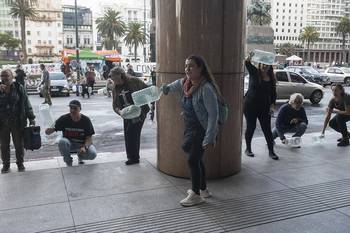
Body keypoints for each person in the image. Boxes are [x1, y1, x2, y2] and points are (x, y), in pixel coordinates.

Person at [162, 55, 219, 207]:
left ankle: (196, 194)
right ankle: (203, 189)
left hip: (202, 129)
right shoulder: (185, 83)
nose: (187, 69)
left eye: (191, 66)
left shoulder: (206, 89)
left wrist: (209, 137)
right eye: (186, 66)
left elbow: (214, 115)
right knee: (197, 159)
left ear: (201, 69)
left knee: (192, 160)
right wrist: (166, 88)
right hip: (190, 127)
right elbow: (172, 86)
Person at [110, 67, 150, 165]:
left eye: (114, 77)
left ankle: (134, 158)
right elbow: (115, 105)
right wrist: (120, 112)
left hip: (139, 112)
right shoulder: (115, 88)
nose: (113, 80)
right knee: (128, 135)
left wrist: (142, 100)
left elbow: (147, 90)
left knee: (133, 133)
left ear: (120, 75)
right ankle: (132, 157)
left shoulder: (134, 81)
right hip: (127, 114)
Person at [0, 69, 36, 173]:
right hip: (2, 123)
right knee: (4, 145)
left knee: (19, 144)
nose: (4, 78)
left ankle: (20, 163)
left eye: (6, 75)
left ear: (12, 76)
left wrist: (32, 118)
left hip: (17, 122)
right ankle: (6, 164)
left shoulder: (18, 87)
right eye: (2, 76)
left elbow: (26, 103)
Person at [244, 52, 278, 160]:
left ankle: (271, 151)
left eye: (267, 64)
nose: (265, 66)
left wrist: (272, 105)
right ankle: (248, 149)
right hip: (250, 106)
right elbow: (247, 62)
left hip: (264, 107)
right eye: (263, 64)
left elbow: (273, 93)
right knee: (251, 127)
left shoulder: (271, 78)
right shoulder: (254, 72)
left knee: (267, 129)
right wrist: (251, 55)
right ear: (259, 64)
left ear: (269, 66)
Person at [45, 100, 97, 166]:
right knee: (62, 142)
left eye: (75, 108)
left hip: (82, 144)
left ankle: (80, 156)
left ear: (80, 109)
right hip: (69, 144)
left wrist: (85, 147)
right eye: (71, 108)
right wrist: (48, 130)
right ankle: (68, 161)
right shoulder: (63, 119)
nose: (72, 110)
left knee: (93, 154)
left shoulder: (86, 120)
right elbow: (50, 131)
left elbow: (89, 138)